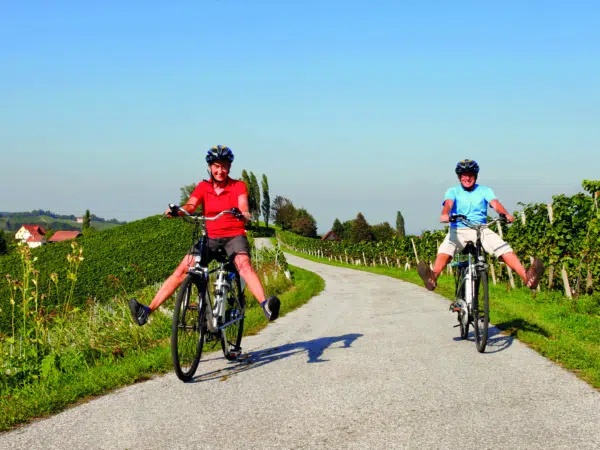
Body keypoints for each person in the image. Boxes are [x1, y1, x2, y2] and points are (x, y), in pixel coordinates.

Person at [128, 145, 281, 326]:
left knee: (244, 265)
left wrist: (244, 214)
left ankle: (266, 305)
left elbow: (243, 205)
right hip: (210, 238)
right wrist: (179, 211)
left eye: (224, 166)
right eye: (216, 166)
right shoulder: (203, 187)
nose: (220, 170)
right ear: (209, 167)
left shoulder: (238, 186)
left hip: (234, 237)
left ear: (230, 167)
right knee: (182, 269)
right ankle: (147, 311)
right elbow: (191, 205)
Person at [417, 159, 544, 299]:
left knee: (502, 247)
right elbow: (448, 204)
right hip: (459, 229)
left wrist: (505, 214)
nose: (467, 178)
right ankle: (433, 277)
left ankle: (527, 277)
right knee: (446, 249)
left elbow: (495, 204)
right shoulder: (453, 191)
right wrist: (445, 214)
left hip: (481, 229)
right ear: (459, 177)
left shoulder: (485, 190)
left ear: (475, 176)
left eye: (470, 174)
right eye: (464, 175)